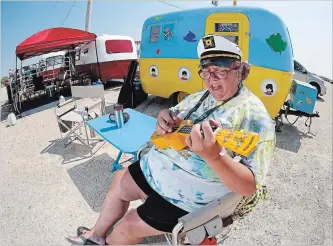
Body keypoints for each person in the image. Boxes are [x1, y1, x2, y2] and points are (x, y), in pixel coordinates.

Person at [66, 35, 276, 245]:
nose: (211, 80)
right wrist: (163, 116)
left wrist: (215, 158)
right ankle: (95, 235)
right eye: (205, 71)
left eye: (220, 70)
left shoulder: (255, 117)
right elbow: (172, 113)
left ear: (240, 70)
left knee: (129, 225)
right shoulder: (202, 95)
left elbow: (249, 187)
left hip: (190, 197)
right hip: (159, 168)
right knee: (119, 179)